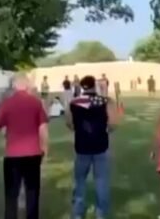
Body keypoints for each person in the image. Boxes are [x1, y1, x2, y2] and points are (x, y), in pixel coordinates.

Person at [0, 73, 49, 219]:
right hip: (33, 152)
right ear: (27, 85)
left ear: (15, 86)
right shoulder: (36, 102)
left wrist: (5, 131)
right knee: (32, 191)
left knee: (12, 193)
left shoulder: (8, 103)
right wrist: (45, 146)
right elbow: (43, 127)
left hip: (13, 154)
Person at [66, 75, 118, 219]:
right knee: (101, 180)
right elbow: (113, 123)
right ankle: (101, 213)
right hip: (101, 145)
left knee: (80, 180)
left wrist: (80, 130)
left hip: (82, 145)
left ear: (82, 86)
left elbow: (69, 123)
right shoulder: (105, 101)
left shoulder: (74, 102)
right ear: (94, 86)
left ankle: (77, 212)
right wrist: (105, 130)